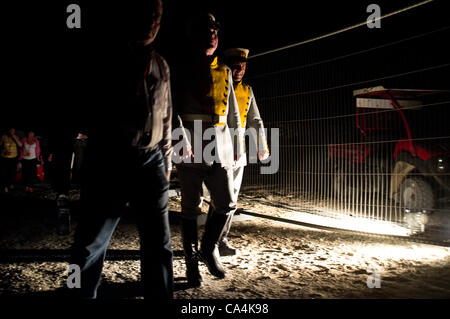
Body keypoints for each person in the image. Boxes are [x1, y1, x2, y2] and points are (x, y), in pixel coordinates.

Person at [69, 0, 174, 299]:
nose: (152, 21)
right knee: (90, 241)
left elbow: (165, 115)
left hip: (150, 158)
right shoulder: (105, 57)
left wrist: (165, 158)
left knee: (158, 243)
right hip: (109, 158)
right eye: (146, 13)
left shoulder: (161, 64)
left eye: (157, 16)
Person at [172, 13, 244, 287]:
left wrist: (237, 142)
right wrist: (180, 137)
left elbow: (234, 114)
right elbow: (172, 106)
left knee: (226, 203)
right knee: (191, 207)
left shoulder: (224, 70)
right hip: (190, 141)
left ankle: (207, 249)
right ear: (194, 35)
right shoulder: (181, 68)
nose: (213, 35)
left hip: (220, 145)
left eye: (215, 30)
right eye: (207, 30)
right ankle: (192, 265)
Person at [210, 48, 270, 256]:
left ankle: (221, 240)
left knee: (232, 197)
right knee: (219, 197)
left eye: (243, 66)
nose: (240, 69)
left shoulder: (247, 90)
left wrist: (262, 145)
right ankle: (212, 243)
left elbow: (255, 119)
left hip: (239, 150)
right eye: (236, 65)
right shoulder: (220, 83)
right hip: (217, 145)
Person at [0, 128, 23, 193]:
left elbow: (20, 145)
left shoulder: (17, 137)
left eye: (13, 131)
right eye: (10, 130)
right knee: (4, 173)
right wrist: (3, 151)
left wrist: (14, 137)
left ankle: (11, 184)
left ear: (15, 131)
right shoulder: (4, 136)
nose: (12, 132)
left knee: (12, 172)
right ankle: (5, 186)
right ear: (8, 131)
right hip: (4, 157)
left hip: (13, 158)